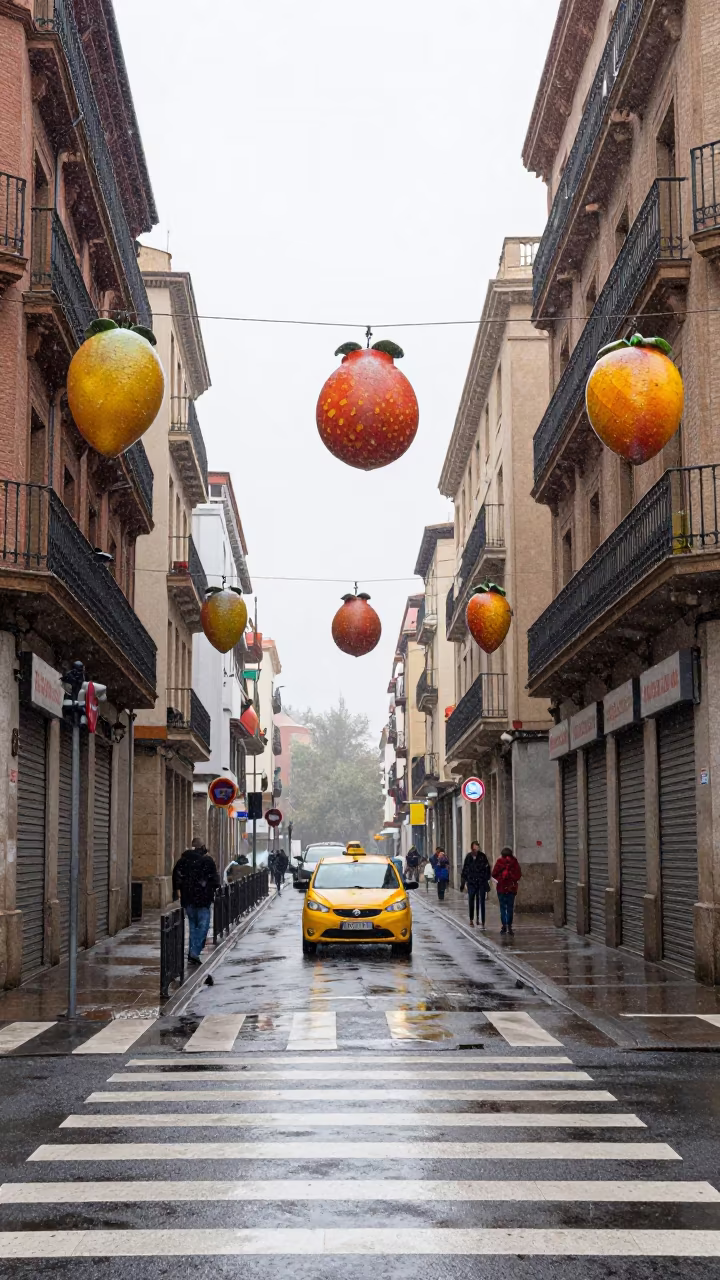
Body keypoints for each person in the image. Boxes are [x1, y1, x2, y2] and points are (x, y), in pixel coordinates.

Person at [172, 837, 220, 964]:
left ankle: (192, 953)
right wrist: (210, 888)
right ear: (202, 848)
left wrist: (180, 892)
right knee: (203, 927)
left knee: (193, 927)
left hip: (188, 900)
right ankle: (194, 952)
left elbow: (176, 878)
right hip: (203, 900)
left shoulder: (182, 861)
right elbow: (215, 880)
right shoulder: (207, 861)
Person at [492, 845, 522, 935]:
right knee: (510, 907)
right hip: (511, 888)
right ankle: (509, 925)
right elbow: (518, 875)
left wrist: (500, 879)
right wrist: (512, 879)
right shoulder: (514, 861)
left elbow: (493, 874)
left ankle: (504, 925)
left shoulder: (499, 861)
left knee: (502, 907)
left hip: (501, 888)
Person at [461, 841, 492, 927]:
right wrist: (463, 882)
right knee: (471, 899)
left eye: (477, 846)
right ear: (472, 847)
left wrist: (486, 878)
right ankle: (471, 919)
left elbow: (487, 868)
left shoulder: (482, 856)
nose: (476, 848)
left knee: (481, 900)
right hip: (471, 882)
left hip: (481, 882)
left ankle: (482, 919)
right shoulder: (468, 856)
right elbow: (465, 869)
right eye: (475, 846)